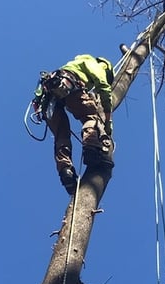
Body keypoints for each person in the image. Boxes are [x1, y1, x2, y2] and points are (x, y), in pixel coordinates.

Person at [33, 54, 115, 193]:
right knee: (90, 118)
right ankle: (91, 150)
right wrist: (108, 121)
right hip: (70, 85)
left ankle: (65, 171)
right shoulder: (93, 63)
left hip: (49, 97)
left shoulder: (72, 64)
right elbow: (103, 85)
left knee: (61, 135)